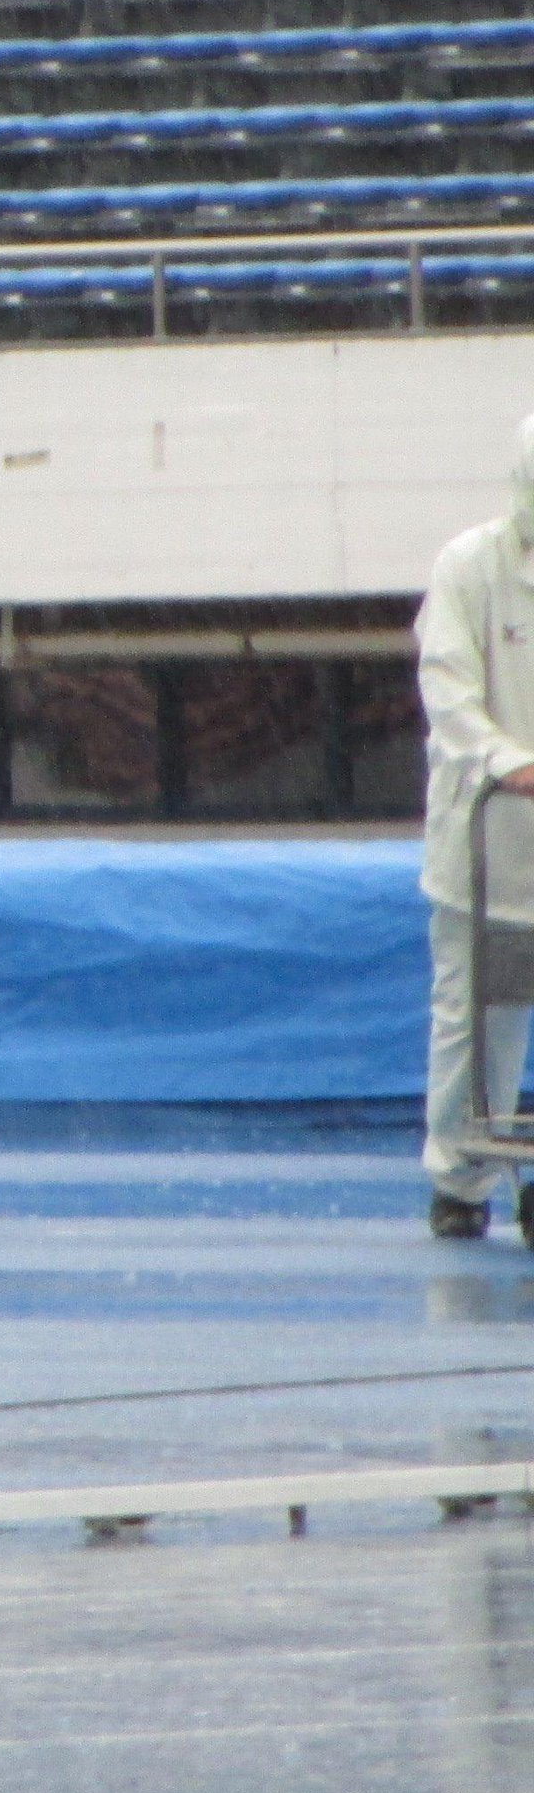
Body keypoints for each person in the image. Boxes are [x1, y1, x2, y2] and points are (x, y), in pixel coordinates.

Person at [415, 412, 534, 1239]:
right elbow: (449, 691)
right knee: (475, 1017)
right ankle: (461, 1178)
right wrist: (508, 763)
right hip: (486, 844)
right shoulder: (469, 567)